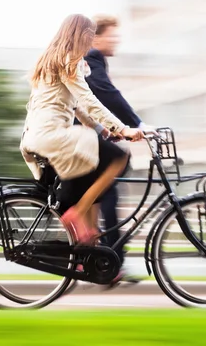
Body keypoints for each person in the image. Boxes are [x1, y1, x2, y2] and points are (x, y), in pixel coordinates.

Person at [19, 13, 144, 246]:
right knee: (120, 157)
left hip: (37, 137)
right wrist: (123, 128)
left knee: (90, 171)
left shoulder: (50, 60)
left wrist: (104, 131)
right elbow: (88, 100)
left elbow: (77, 107)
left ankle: (83, 253)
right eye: (89, 36)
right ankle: (76, 215)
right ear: (81, 35)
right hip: (53, 135)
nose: (91, 42)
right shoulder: (70, 60)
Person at [81, 15, 153, 267]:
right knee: (117, 166)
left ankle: (96, 255)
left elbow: (94, 104)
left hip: (87, 133)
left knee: (106, 187)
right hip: (78, 137)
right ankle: (112, 259)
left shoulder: (91, 59)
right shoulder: (91, 58)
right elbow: (105, 94)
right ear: (96, 37)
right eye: (112, 35)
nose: (117, 41)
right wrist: (136, 123)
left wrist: (115, 130)